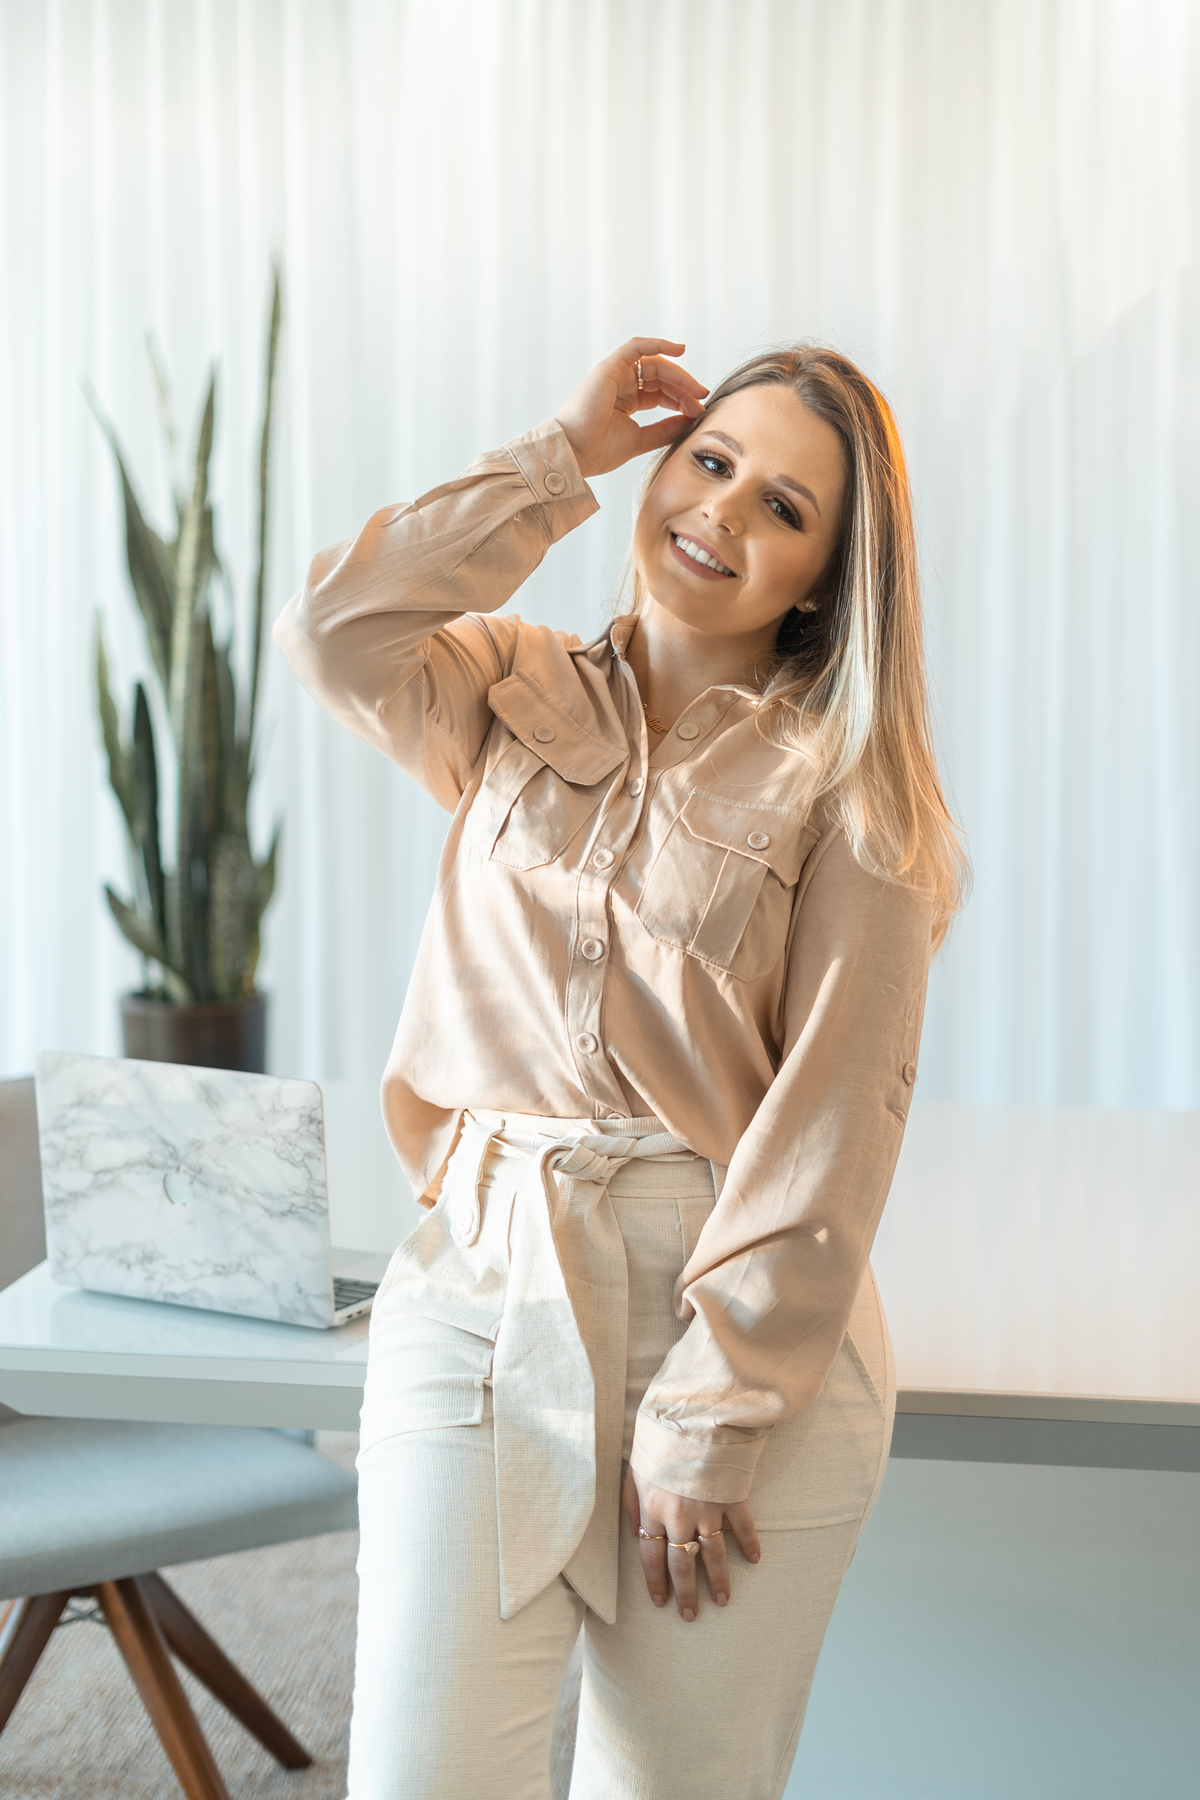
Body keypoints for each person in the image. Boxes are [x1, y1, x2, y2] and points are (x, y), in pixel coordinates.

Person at [274, 336, 966, 1800]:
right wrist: (562, 455)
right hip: (483, 1287)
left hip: (734, 1322)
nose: (722, 511)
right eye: (710, 461)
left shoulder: (856, 790)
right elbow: (335, 628)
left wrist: (716, 1409)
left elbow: (838, 1117)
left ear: (824, 581)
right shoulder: (503, 685)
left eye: (784, 507)